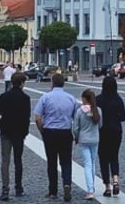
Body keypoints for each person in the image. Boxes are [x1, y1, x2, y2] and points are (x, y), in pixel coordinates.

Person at [33, 73, 78, 201]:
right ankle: (67, 184)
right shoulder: (71, 98)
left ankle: (53, 191)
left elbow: (37, 118)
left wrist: (43, 131)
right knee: (66, 161)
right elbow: (76, 118)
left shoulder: (45, 97)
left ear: (52, 83)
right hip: (65, 132)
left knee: (51, 162)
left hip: (50, 132)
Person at [0, 71, 31, 201]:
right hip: (19, 133)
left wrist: (2, 126)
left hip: (6, 133)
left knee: (5, 161)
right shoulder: (25, 98)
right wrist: (25, 132)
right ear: (21, 83)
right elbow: (27, 118)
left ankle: (5, 189)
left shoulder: (4, 96)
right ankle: (18, 188)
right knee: (18, 161)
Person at [96, 76, 125, 198]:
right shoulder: (118, 99)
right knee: (114, 156)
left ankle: (107, 187)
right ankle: (116, 180)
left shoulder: (98, 99)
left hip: (102, 132)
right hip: (116, 132)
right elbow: (123, 117)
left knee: (103, 158)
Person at [72, 89, 103, 200]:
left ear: (84, 99)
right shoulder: (98, 110)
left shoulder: (80, 111)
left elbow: (75, 127)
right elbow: (100, 125)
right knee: (93, 163)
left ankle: (90, 190)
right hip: (95, 139)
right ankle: (92, 187)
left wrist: (76, 136)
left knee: (87, 164)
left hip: (84, 140)